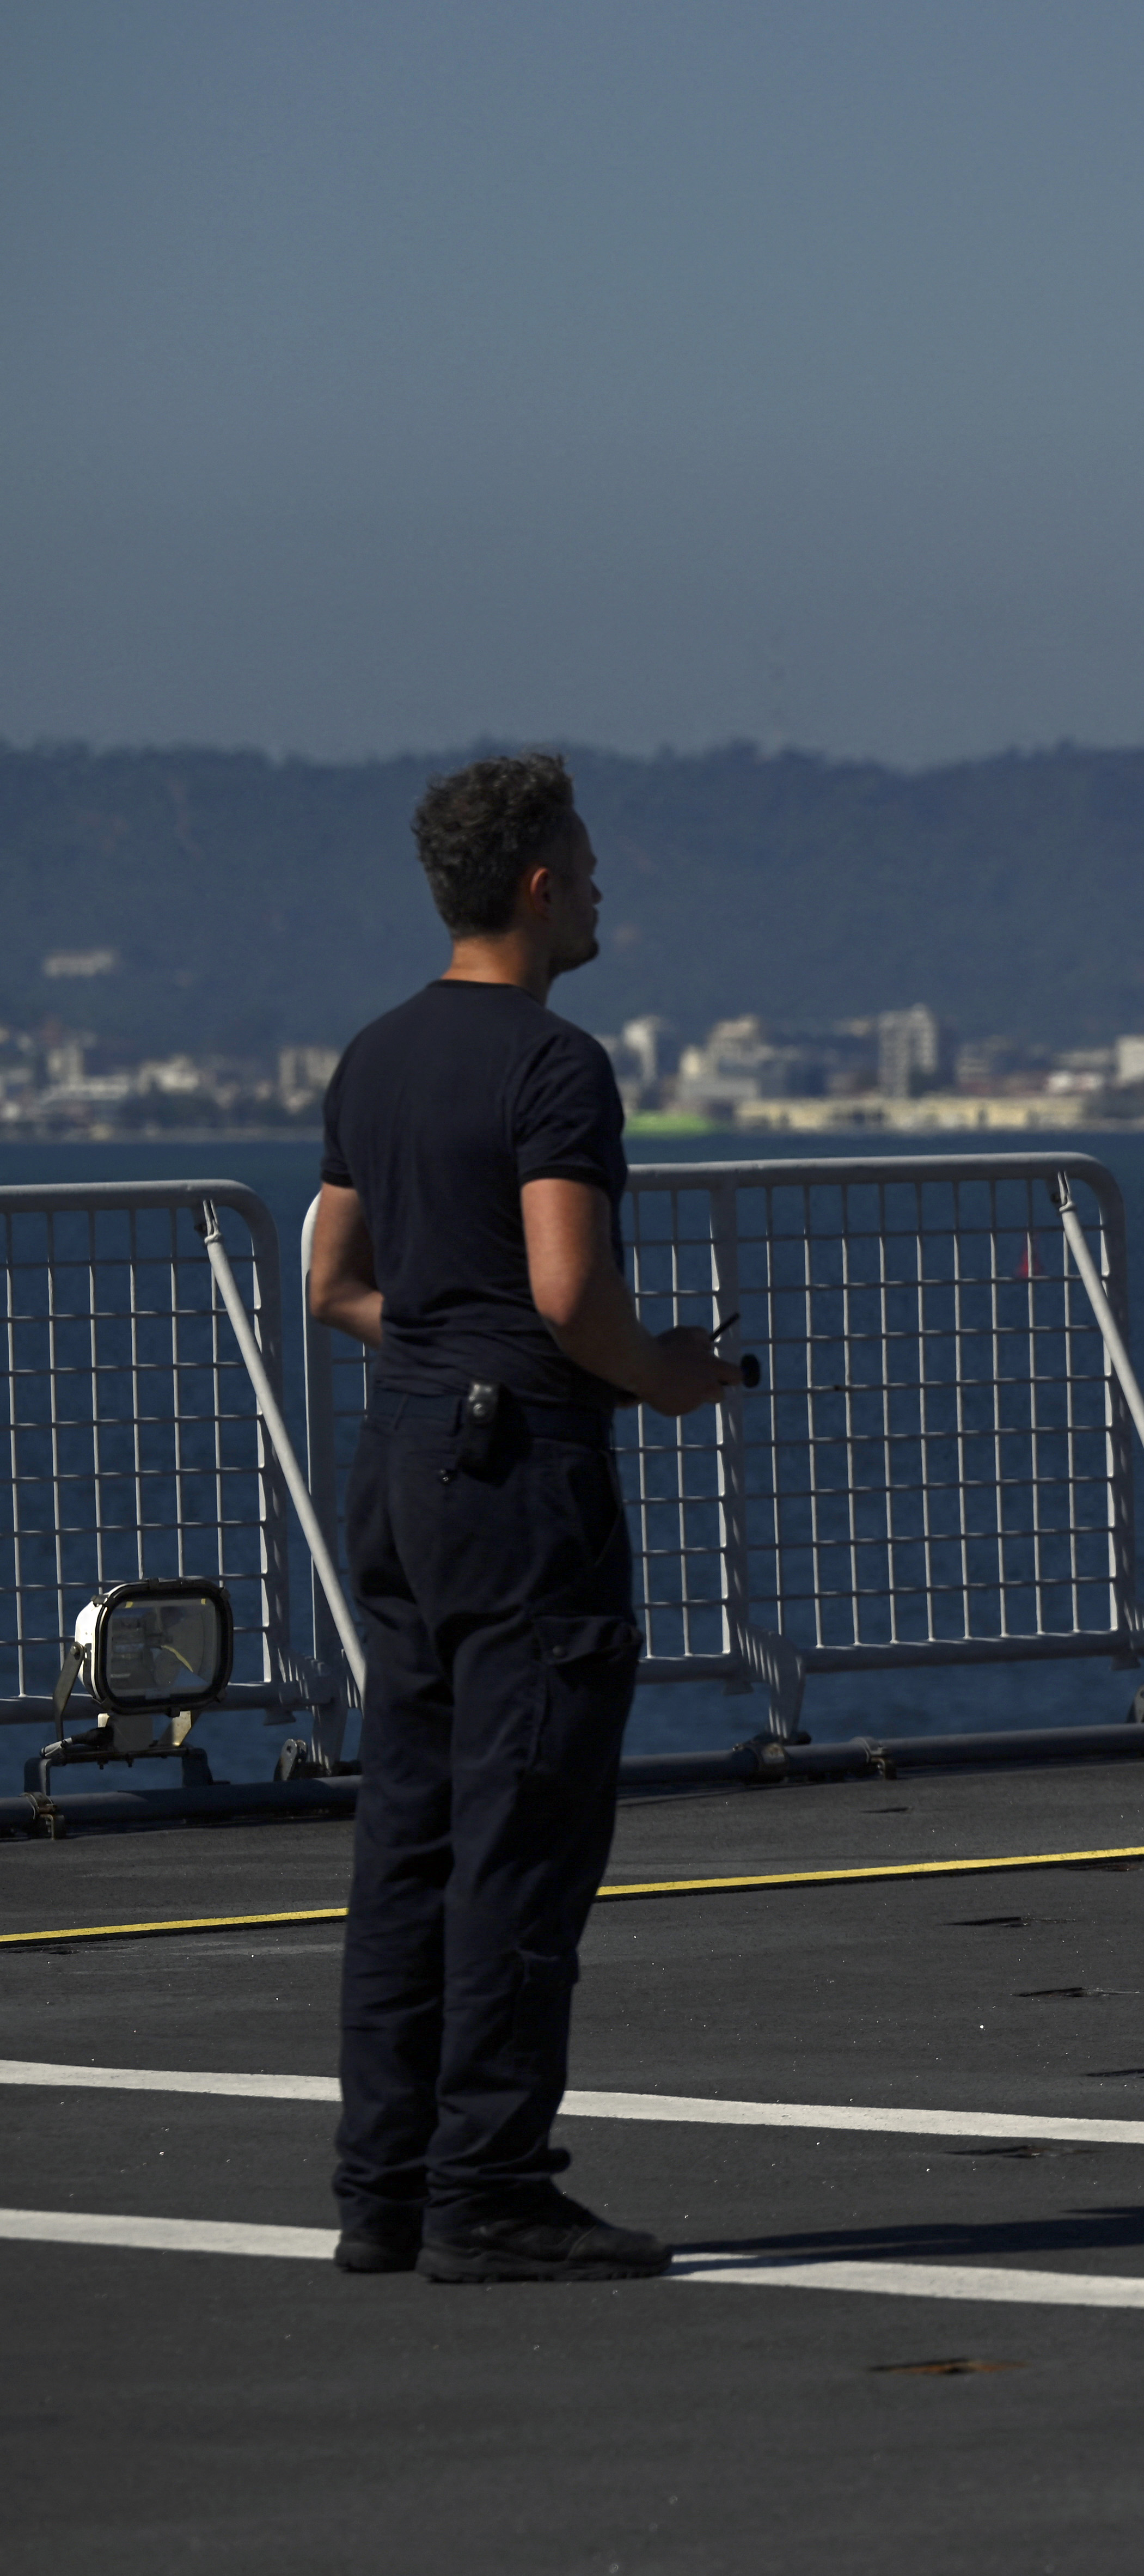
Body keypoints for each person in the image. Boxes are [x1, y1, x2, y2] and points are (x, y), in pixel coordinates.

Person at [305, 753, 738, 2284]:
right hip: (522, 1478)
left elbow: (331, 1283)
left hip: (405, 1460)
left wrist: (445, 1352)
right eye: (590, 861)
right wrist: (667, 1380)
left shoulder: (374, 1058)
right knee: (524, 1845)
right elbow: (568, 1293)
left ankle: (385, 2190)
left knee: (407, 1837)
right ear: (540, 885)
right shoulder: (556, 1067)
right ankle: (490, 2187)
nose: (605, 886)